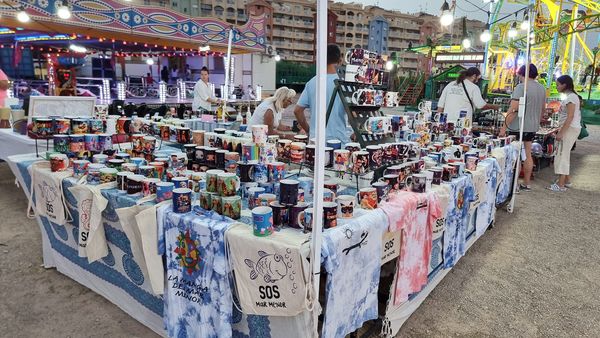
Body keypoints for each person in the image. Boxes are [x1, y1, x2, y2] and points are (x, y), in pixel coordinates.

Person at [499, 64, 546, 192]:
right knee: (528, 154)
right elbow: (543, 109)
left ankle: (513, 185)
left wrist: (504, 127)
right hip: (532, 126)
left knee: (516, 155)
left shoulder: (521, 87)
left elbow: (514, 109)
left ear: (521, 73)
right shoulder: (541, 88)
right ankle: (526, 183)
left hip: (517, 126)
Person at [293, 44, 351, 144]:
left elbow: (297, 111)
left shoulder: (312, 82)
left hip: (316, 141)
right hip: (338, 141)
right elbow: (353, 114)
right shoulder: (345, 82)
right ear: (340, 60)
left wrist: (308, 130)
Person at [548, 75, 581, 192]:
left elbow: (570, 117)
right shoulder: (571, 97)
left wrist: (561, 133)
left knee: (562, 154)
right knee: (564, 153)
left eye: (558, 85)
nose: (556, 87)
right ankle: (567, 181)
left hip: (569, 129)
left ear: (564, 85)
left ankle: (561, 184)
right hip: (569, 128)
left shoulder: (571, 97)